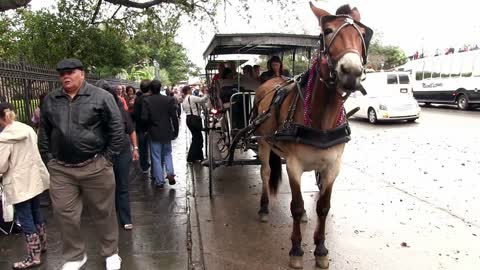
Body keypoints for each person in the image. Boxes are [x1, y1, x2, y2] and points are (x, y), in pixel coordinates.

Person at [38, 58, 124, 270]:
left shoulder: (101, 97)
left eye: (70, 72)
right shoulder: (51, 99)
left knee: (104, 212)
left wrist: (107, 158)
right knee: (64, 214)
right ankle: (75, 256)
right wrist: (49, 159)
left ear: (82, 74)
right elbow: (45, 132)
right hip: (62, 170)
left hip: (95, 165)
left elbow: (116, 128)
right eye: (62, 73)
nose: (65, 76)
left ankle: (111, 252)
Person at [0, 103, 50, 269]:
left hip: (18, 183)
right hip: (33, 178)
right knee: (36, 212)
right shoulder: (26, 128)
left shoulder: (4, 137)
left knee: (25, 217)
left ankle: (33, 257)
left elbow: (1, 166)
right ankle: (42, 245)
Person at [97, 80, 139, 231]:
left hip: (120, 151)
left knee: (121, 185)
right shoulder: (93, 112)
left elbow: (131, 129)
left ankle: (125, 217)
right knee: (108, 187)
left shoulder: (120, 109)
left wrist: (135, 148)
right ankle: (112, 216)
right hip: (103, 154)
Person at [141, 80, 179, 188]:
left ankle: (159, 181)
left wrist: (146, 128)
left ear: (150, 89)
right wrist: (175, 131)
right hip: (166, 131)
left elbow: (144, 118)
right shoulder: (169, 99)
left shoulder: (147, 101)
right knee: (167, 153)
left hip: (154, 132)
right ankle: (170, 173)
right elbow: (174, 117)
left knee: (156, 157)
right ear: (160, 87)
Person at [181, 85, 208, 163]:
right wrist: (206, 93)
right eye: (190, 89)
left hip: (189, 119)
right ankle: (191, 157)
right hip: (195, 119)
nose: (191, 90)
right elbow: (203, 99)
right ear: (188, 91)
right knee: (197, 138)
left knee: (197, 137)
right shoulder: (191, 97)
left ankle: (199, 156)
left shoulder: (184, 100)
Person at [133, 80, 152, 176]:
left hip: (140, 127)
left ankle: (144, 166)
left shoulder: (138, 99)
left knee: (143, 148)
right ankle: (155, 167)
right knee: (153, 148)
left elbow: (135, 114)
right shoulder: (152, 98)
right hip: (151, 127)